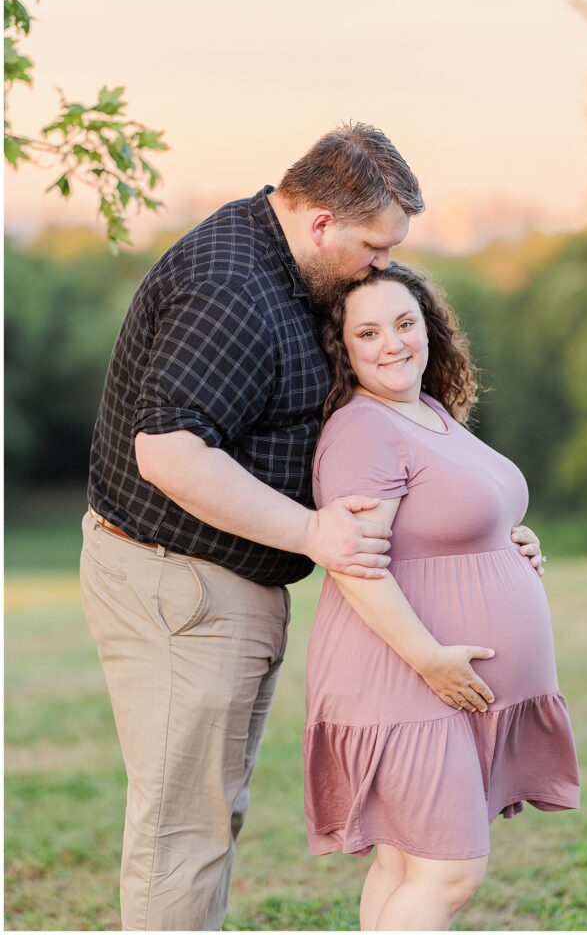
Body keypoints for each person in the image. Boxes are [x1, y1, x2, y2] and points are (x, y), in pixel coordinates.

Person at [79, 123, 424, 931]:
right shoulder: (232, 285)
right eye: (374, 245)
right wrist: (310, 534)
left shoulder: (285, 267)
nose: (382, 264)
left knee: (207, 815)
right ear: (319, 224)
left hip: (213, 586)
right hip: (180, 586)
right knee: (181, 831)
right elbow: (168, 451)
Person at [303, 261, 581, 931]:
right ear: (343, 348)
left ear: (429, 326)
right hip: (401, 677)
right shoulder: (363, 428)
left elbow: (446, 518)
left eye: (404, 323)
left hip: (434, 682)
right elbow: (355, 565)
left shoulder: (425, 412)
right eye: (368, 333)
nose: (393, 343)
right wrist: (429, 659)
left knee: (402, 866)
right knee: (446, 873)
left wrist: (507, 543)